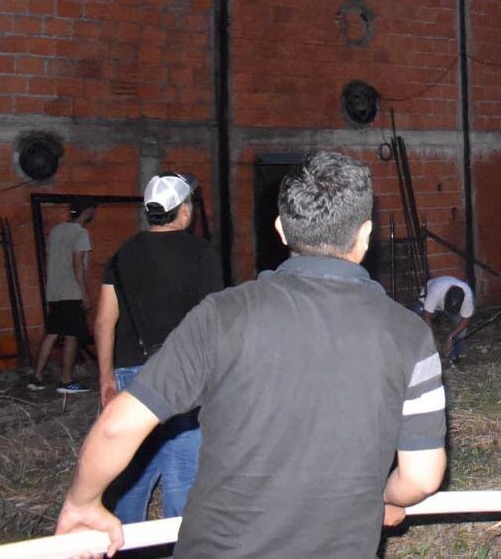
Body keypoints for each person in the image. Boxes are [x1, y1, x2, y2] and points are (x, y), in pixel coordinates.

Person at [55, 152, 447, 557]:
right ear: (365, 235)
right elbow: (421, 476)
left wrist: (81, 503)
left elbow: (117, 427)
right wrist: (388, 496)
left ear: (280, 229)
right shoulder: (410, 335)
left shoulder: (222, 315)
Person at [94, 173, 223, 524]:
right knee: (183, 472)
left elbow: (105, 321)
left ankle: (128, 543)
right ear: (184, 210)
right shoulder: (201, 253)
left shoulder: (120, 256)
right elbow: (212, 320)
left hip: (131, 372)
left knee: (135, 467)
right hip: (184, 374)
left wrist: (106, 376)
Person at [29, 202, 95, 394]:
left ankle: (37, 377)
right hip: (71, 291)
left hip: (55, 291)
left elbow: (51, 259)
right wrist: (84, 293)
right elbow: (77, 265)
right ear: (88, 211)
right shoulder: (81, 234)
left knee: (52, 332)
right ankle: (66, 380)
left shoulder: (56, 231)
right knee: (72, 335)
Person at [420, 273, 475, 363]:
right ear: (445, 296)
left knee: (461, 331)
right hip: (427, 303)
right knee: (417, 323)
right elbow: (427, 316)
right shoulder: (436, 290)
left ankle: (455, 355)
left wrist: (450, 337)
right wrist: (434, 340)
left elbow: (466, 320)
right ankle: (424, 356)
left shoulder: (467, 294)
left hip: (449, 307)